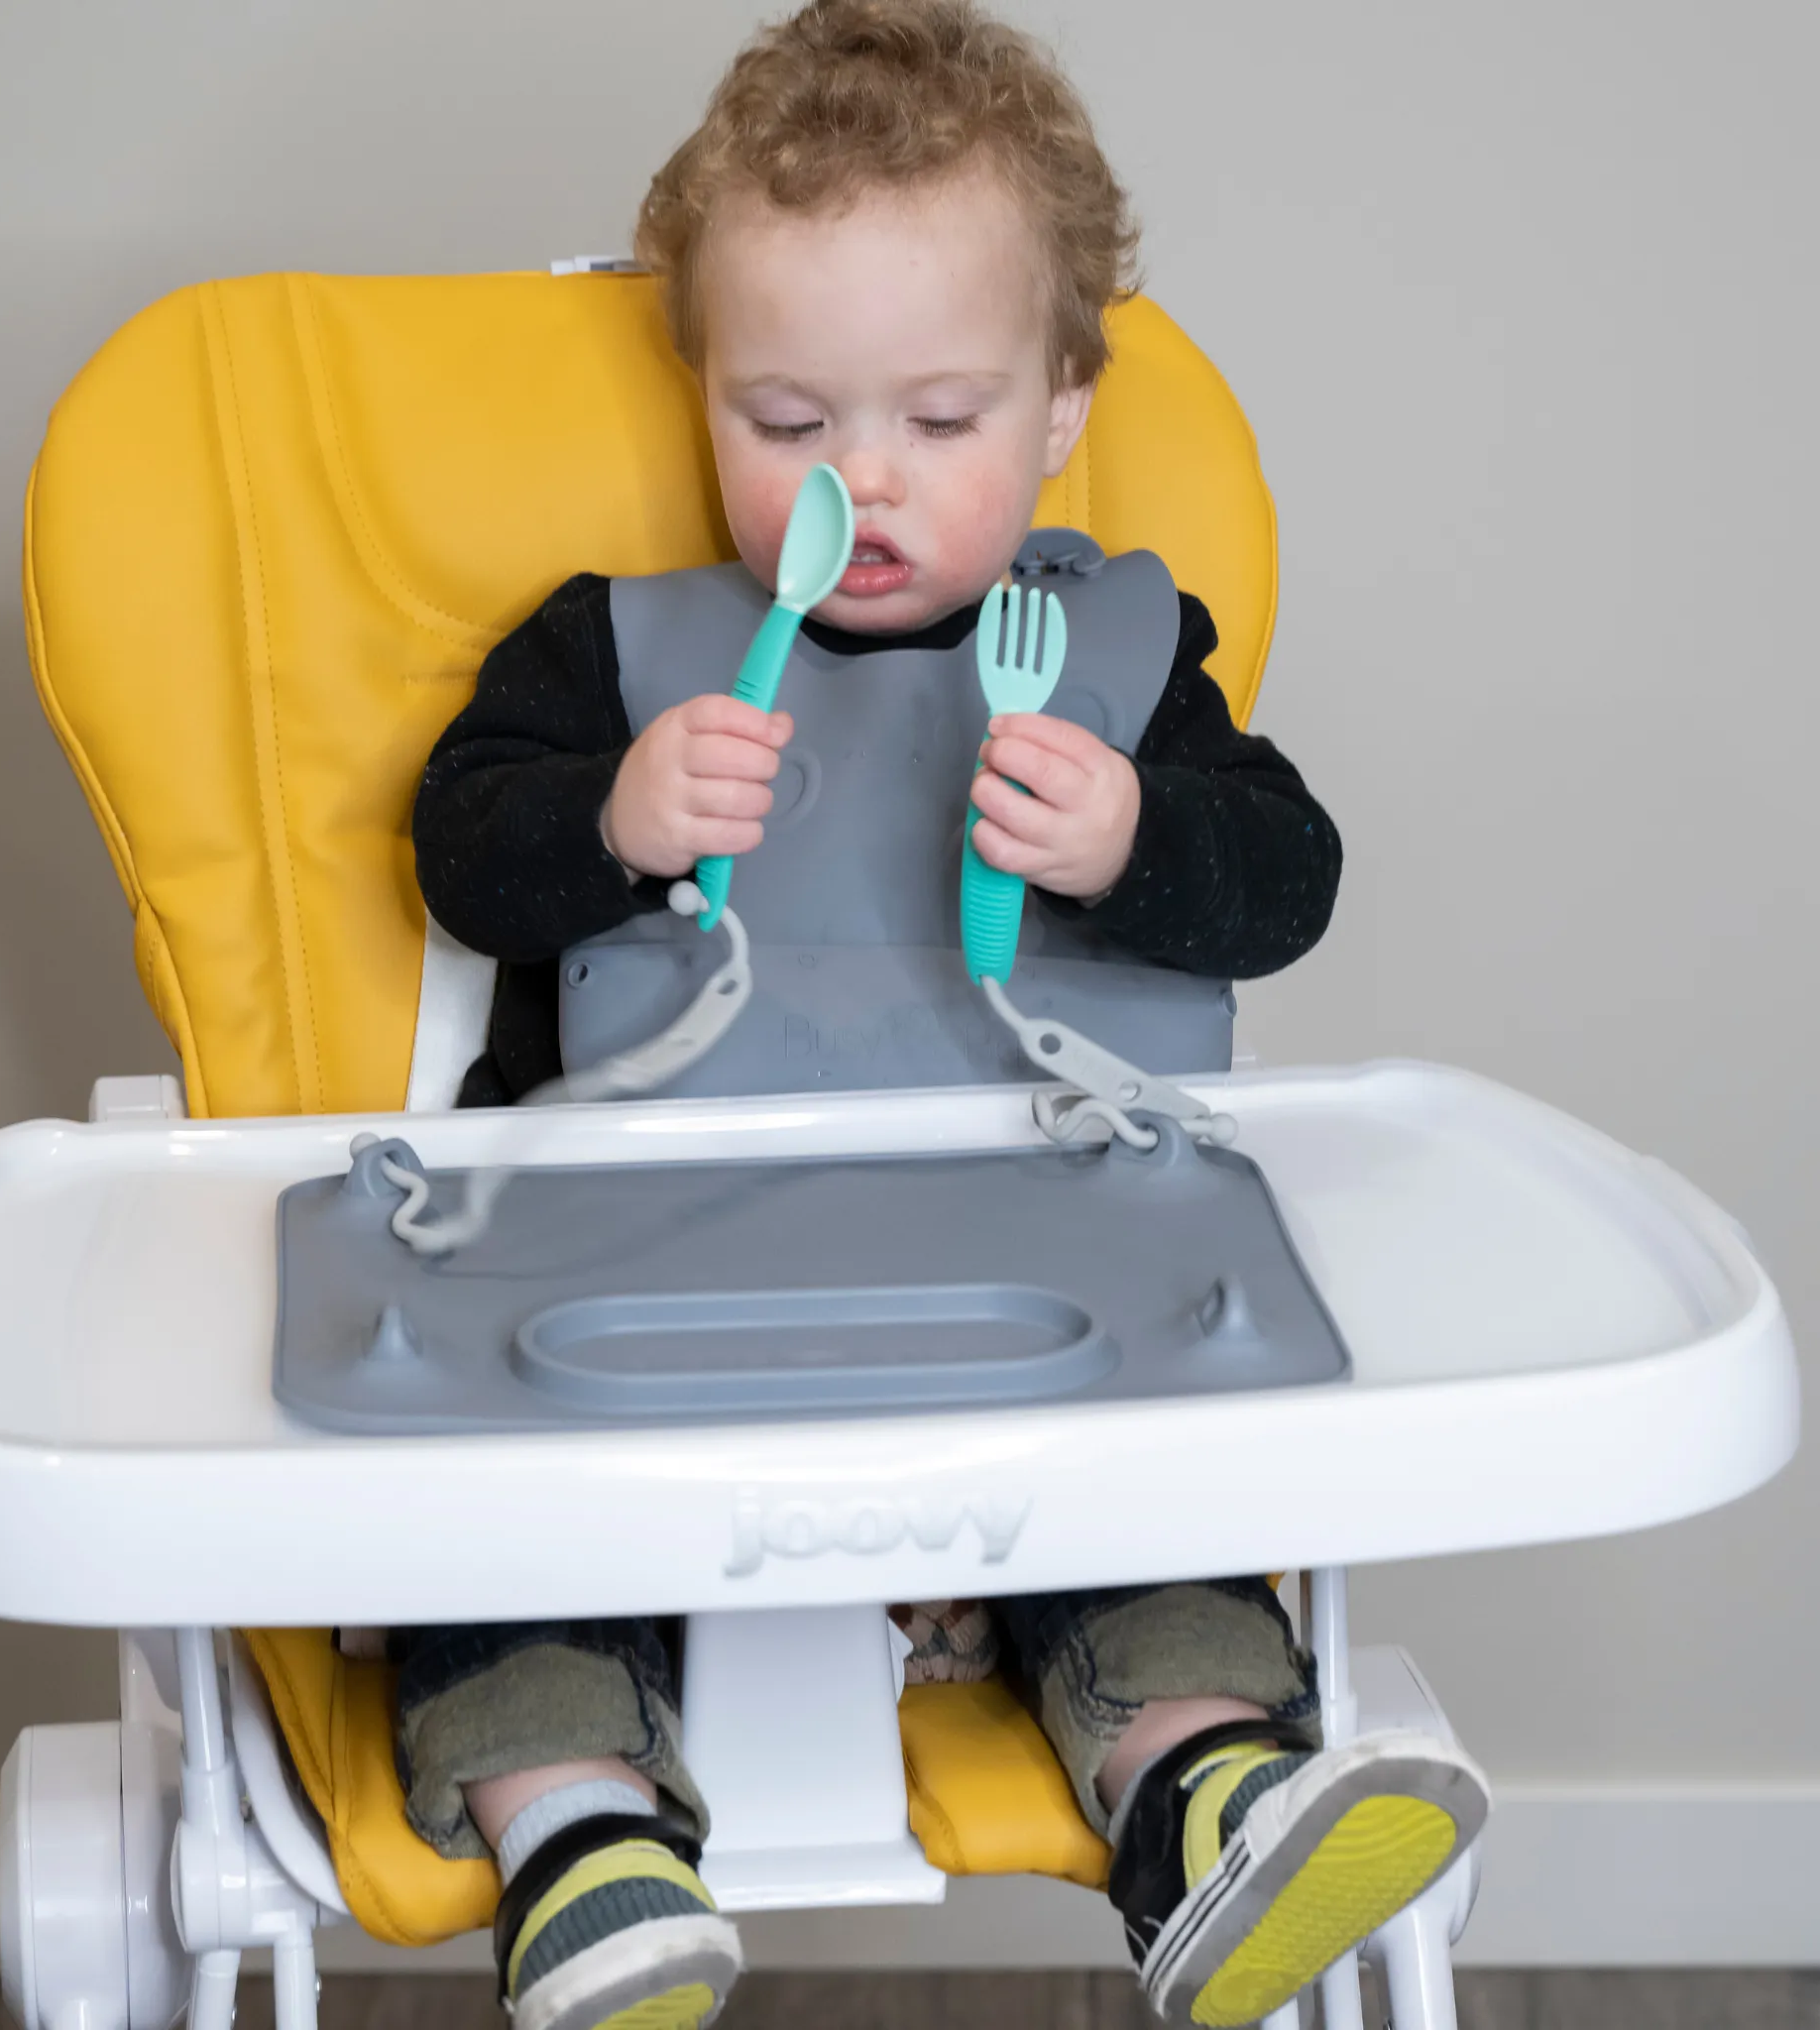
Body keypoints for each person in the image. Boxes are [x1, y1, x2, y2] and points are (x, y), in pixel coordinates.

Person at [408, 4, 1488, 2024]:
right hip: (653, 1293)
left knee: (1160, 1557)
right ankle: (580, 1845)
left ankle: (1205, 1799)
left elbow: (1294, 878)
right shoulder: (624, 649)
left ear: (1063, 409)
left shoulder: (1108, 654)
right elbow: (459, 859)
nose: (864, 479)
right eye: (789, 421)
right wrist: (614, 815)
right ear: (703, 390)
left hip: (1039, 1309)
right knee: (505, 1533)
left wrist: (1136, 831)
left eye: (938, 416)